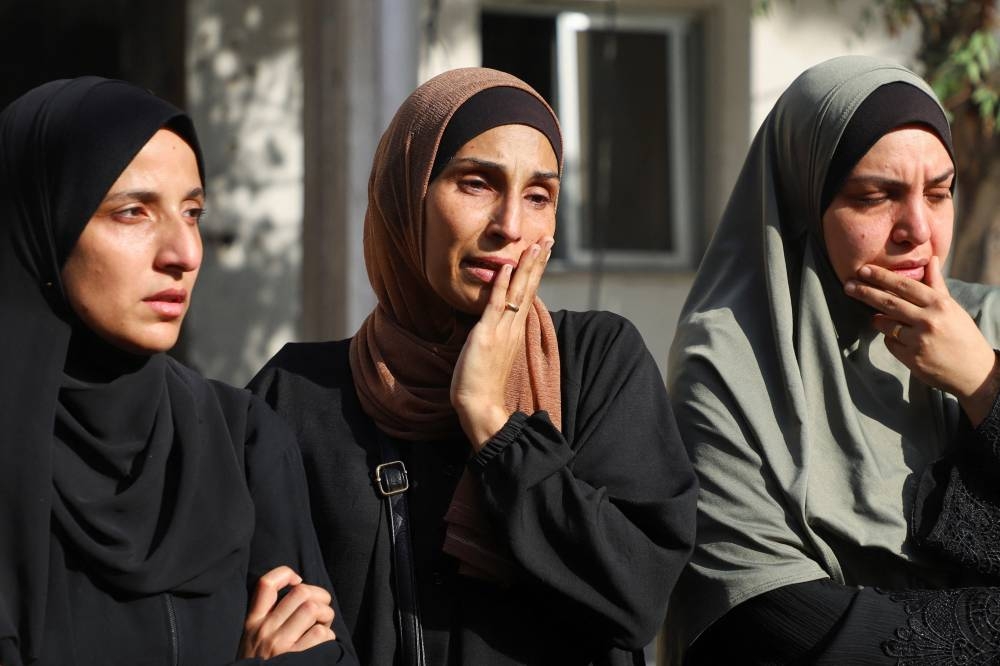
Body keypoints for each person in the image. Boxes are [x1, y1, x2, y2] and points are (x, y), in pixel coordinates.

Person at [248, 67, 698, 665]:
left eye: (538, 196)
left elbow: (635, 596)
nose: (509, 227)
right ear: (407, 196)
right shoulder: (297, 395)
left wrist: (492, 421)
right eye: (477, 184)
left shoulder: (595, 363)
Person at [0, 76, 358, 665]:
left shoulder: (241, 439)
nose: (184, 254)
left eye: (192, 213)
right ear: (42, 226)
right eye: (133, 212)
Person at [666, 55, 1000, 663]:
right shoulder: (729, 366)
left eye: (939, 193)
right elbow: (776, 616)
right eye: (876, 196)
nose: (918, 229)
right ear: (803, 204)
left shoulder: (986, 326)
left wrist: (984, 385)